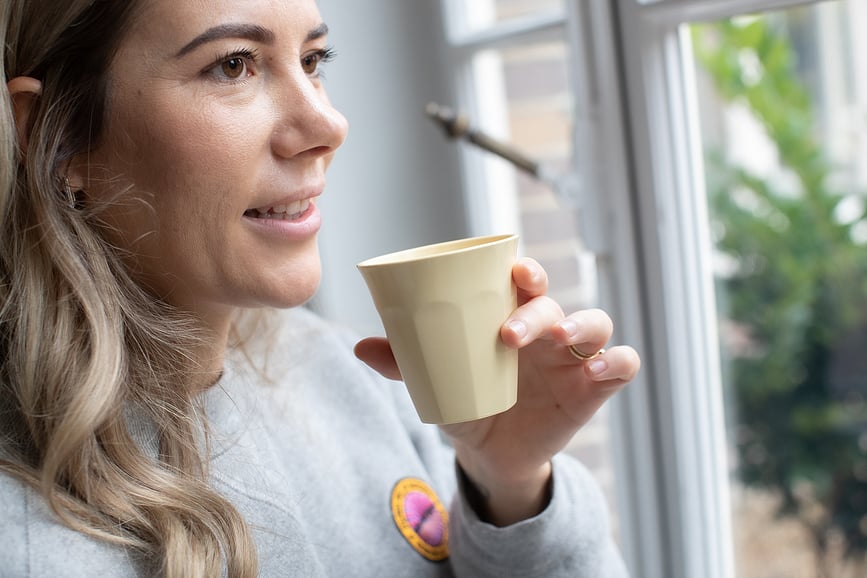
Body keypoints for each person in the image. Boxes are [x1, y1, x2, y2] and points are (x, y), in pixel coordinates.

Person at [0, 0, 641, 576]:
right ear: (58, 137)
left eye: (313, 58)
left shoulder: (347, 374)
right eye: (233, 66)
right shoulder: (28, 543)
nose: (327, 124)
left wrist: (507, 482)